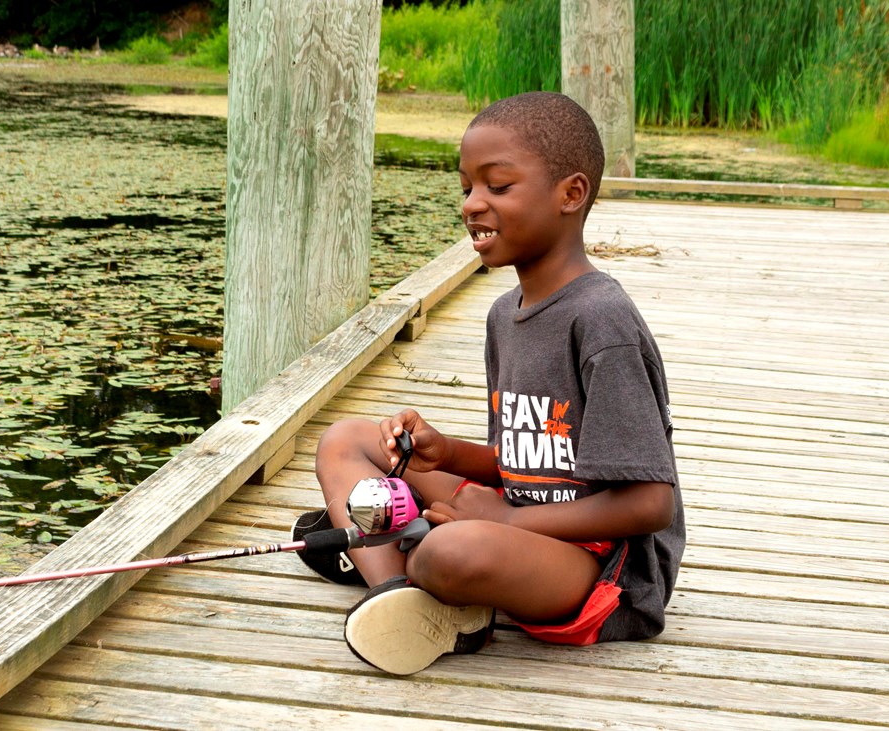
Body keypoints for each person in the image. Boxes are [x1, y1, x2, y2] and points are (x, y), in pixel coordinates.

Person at [293, 91, 684, 676]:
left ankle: (391, 557)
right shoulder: (506, 314)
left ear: (570, 194)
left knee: (454, 548)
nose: (472, 204)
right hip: (516, 518)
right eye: (466, 188)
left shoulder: (602, 320)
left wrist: (503, 522)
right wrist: (444, 453)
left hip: (597, 568)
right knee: (345, 440)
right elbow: (522, 462)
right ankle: (399, 592)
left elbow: (651, 504)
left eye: (497, 187)